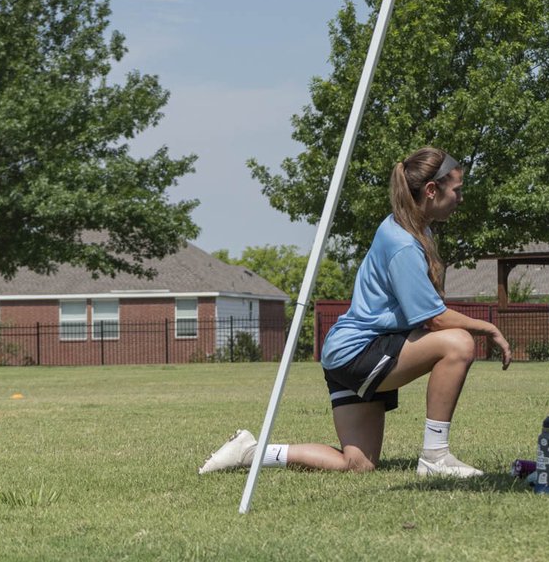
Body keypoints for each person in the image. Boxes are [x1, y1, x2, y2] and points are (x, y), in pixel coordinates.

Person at [198, 147, 511, 478]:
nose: (460, 198)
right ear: (432, 190)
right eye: (457, 190)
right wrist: (488, 328)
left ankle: (251, 452)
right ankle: (435, 457)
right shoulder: (403, 242)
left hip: (348, 351)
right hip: (359, 351)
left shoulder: (408, 228)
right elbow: (433, 318)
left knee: (358, 464)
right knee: (458, 342)